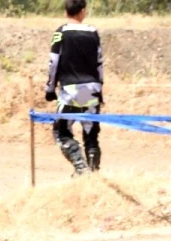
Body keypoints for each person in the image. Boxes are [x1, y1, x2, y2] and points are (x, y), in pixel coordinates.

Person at [44, 0, 104, 175]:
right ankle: (93, 173)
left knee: (61, 131)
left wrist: (50, 88)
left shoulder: (60, 32)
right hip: (90, 88)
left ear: (66, 12)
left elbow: (53, 62)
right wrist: (100, 88)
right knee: (90, 134)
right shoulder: (93, 32)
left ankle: (81, 168)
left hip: (70, 90)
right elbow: (100, 63)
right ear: (83, 11)